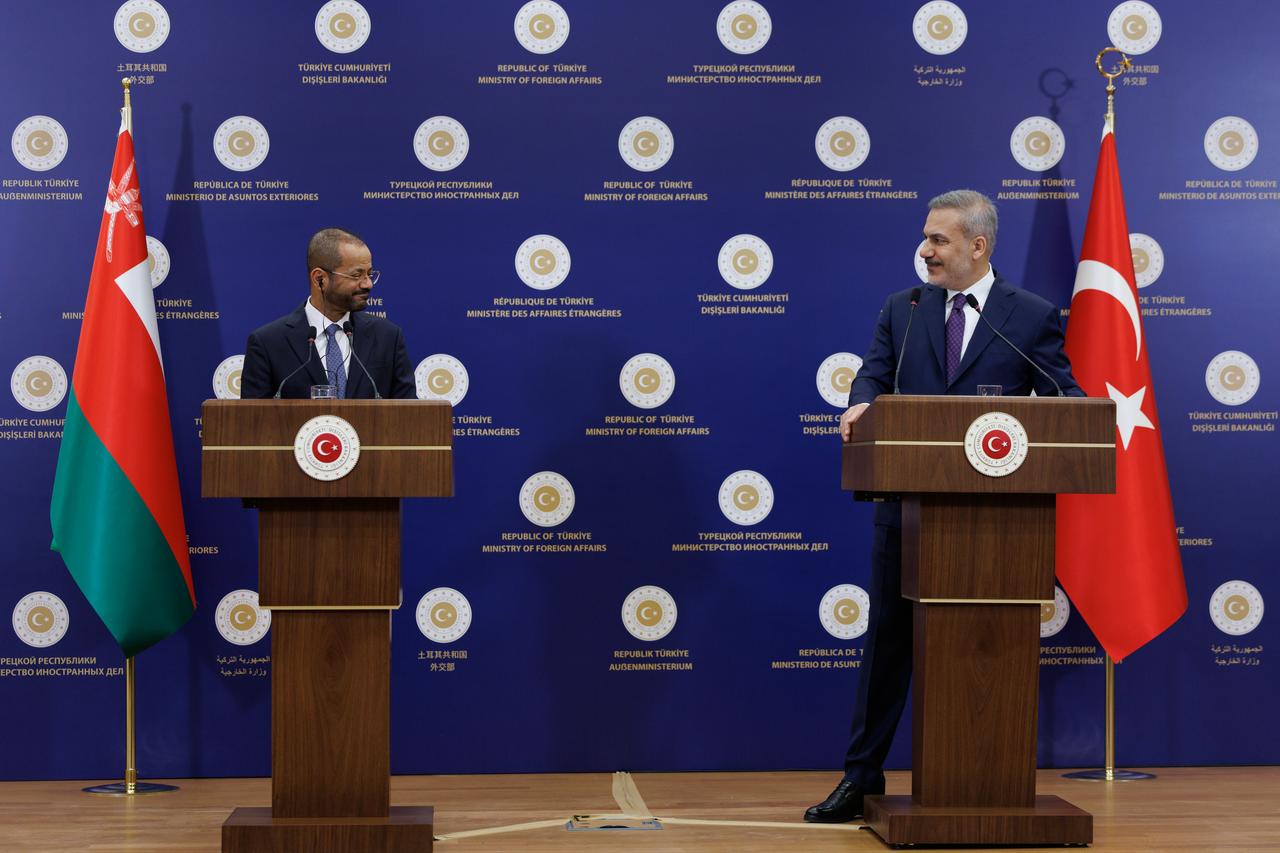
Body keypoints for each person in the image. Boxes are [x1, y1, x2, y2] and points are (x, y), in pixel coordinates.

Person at [804, 189, 1083, 823]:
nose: (925, 249)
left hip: (998, 529)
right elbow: (873, 376)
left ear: (978, 246)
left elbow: (1066, 398)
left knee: (983, 652)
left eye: (939, 239)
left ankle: (982, 780)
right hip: (908, 511)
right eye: (926, 237)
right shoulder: (902, 309)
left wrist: (1051, 419)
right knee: (887, 647)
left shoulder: (1030, 316)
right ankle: (860, 776)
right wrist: (861, 401)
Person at [239, 227, 416, 400]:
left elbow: (409, 412)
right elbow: (254, 417)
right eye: (356, 275)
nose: (367, 284)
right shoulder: (268, 343)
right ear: (319, 279)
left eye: (370, 274)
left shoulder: (388, 337)